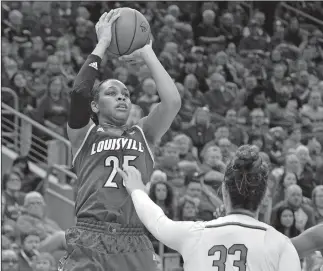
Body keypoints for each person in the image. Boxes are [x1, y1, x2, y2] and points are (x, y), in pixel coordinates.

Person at [59, 10, 181, 271]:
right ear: (95, 104)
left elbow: (172, 102)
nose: (122, 97)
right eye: (112, 93)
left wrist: (147, 53)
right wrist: (103, 42)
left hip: (134, 238)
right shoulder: (84, 135)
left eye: (125, 94)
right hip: (90, 235)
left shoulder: (143, 134)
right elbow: (79, 92)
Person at [117, 145, 301, 271]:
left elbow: (157, 222)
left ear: (224, 191)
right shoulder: (281, 243)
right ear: (263, 198)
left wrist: (137, 190)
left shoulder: (196, 233)